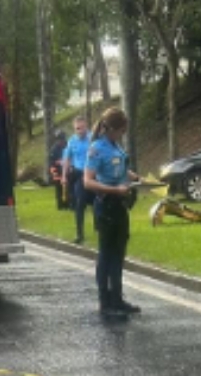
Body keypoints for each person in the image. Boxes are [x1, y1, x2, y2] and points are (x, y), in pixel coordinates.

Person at [84, 107, 141, 319]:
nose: (123, 134)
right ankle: (104, 300)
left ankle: (117, 297)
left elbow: (119, 167)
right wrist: (115, 189)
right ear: (113, 129)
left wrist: (134, 177)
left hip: (119, 205)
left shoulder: (115, 146)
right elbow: (88, 181)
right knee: (106, 254)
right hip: (105, 204)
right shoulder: (97, 149)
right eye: (122, 131)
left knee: (119, 251)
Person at [61, 116, 93, 244]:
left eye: (82, 128)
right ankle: (80, 234)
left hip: (93, 174)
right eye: (77, 129)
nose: (80, 131)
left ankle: (100, 228)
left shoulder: (92, 138)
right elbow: (67, 159)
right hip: (80, 174)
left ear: (86, 127)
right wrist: (63, 176)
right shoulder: (72, 141)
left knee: (98, 202)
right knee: (79, 203)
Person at [48, 130, 68, 210]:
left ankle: (67, 203)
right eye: (59, 139)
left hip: (65, 169)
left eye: (62, 139)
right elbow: (51, 161)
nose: (61, 141)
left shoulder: (67, 146)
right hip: (56, 170)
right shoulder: (54, 149)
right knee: (59, 188)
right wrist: (59, 162)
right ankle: (60, 205)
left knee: (66, 187)